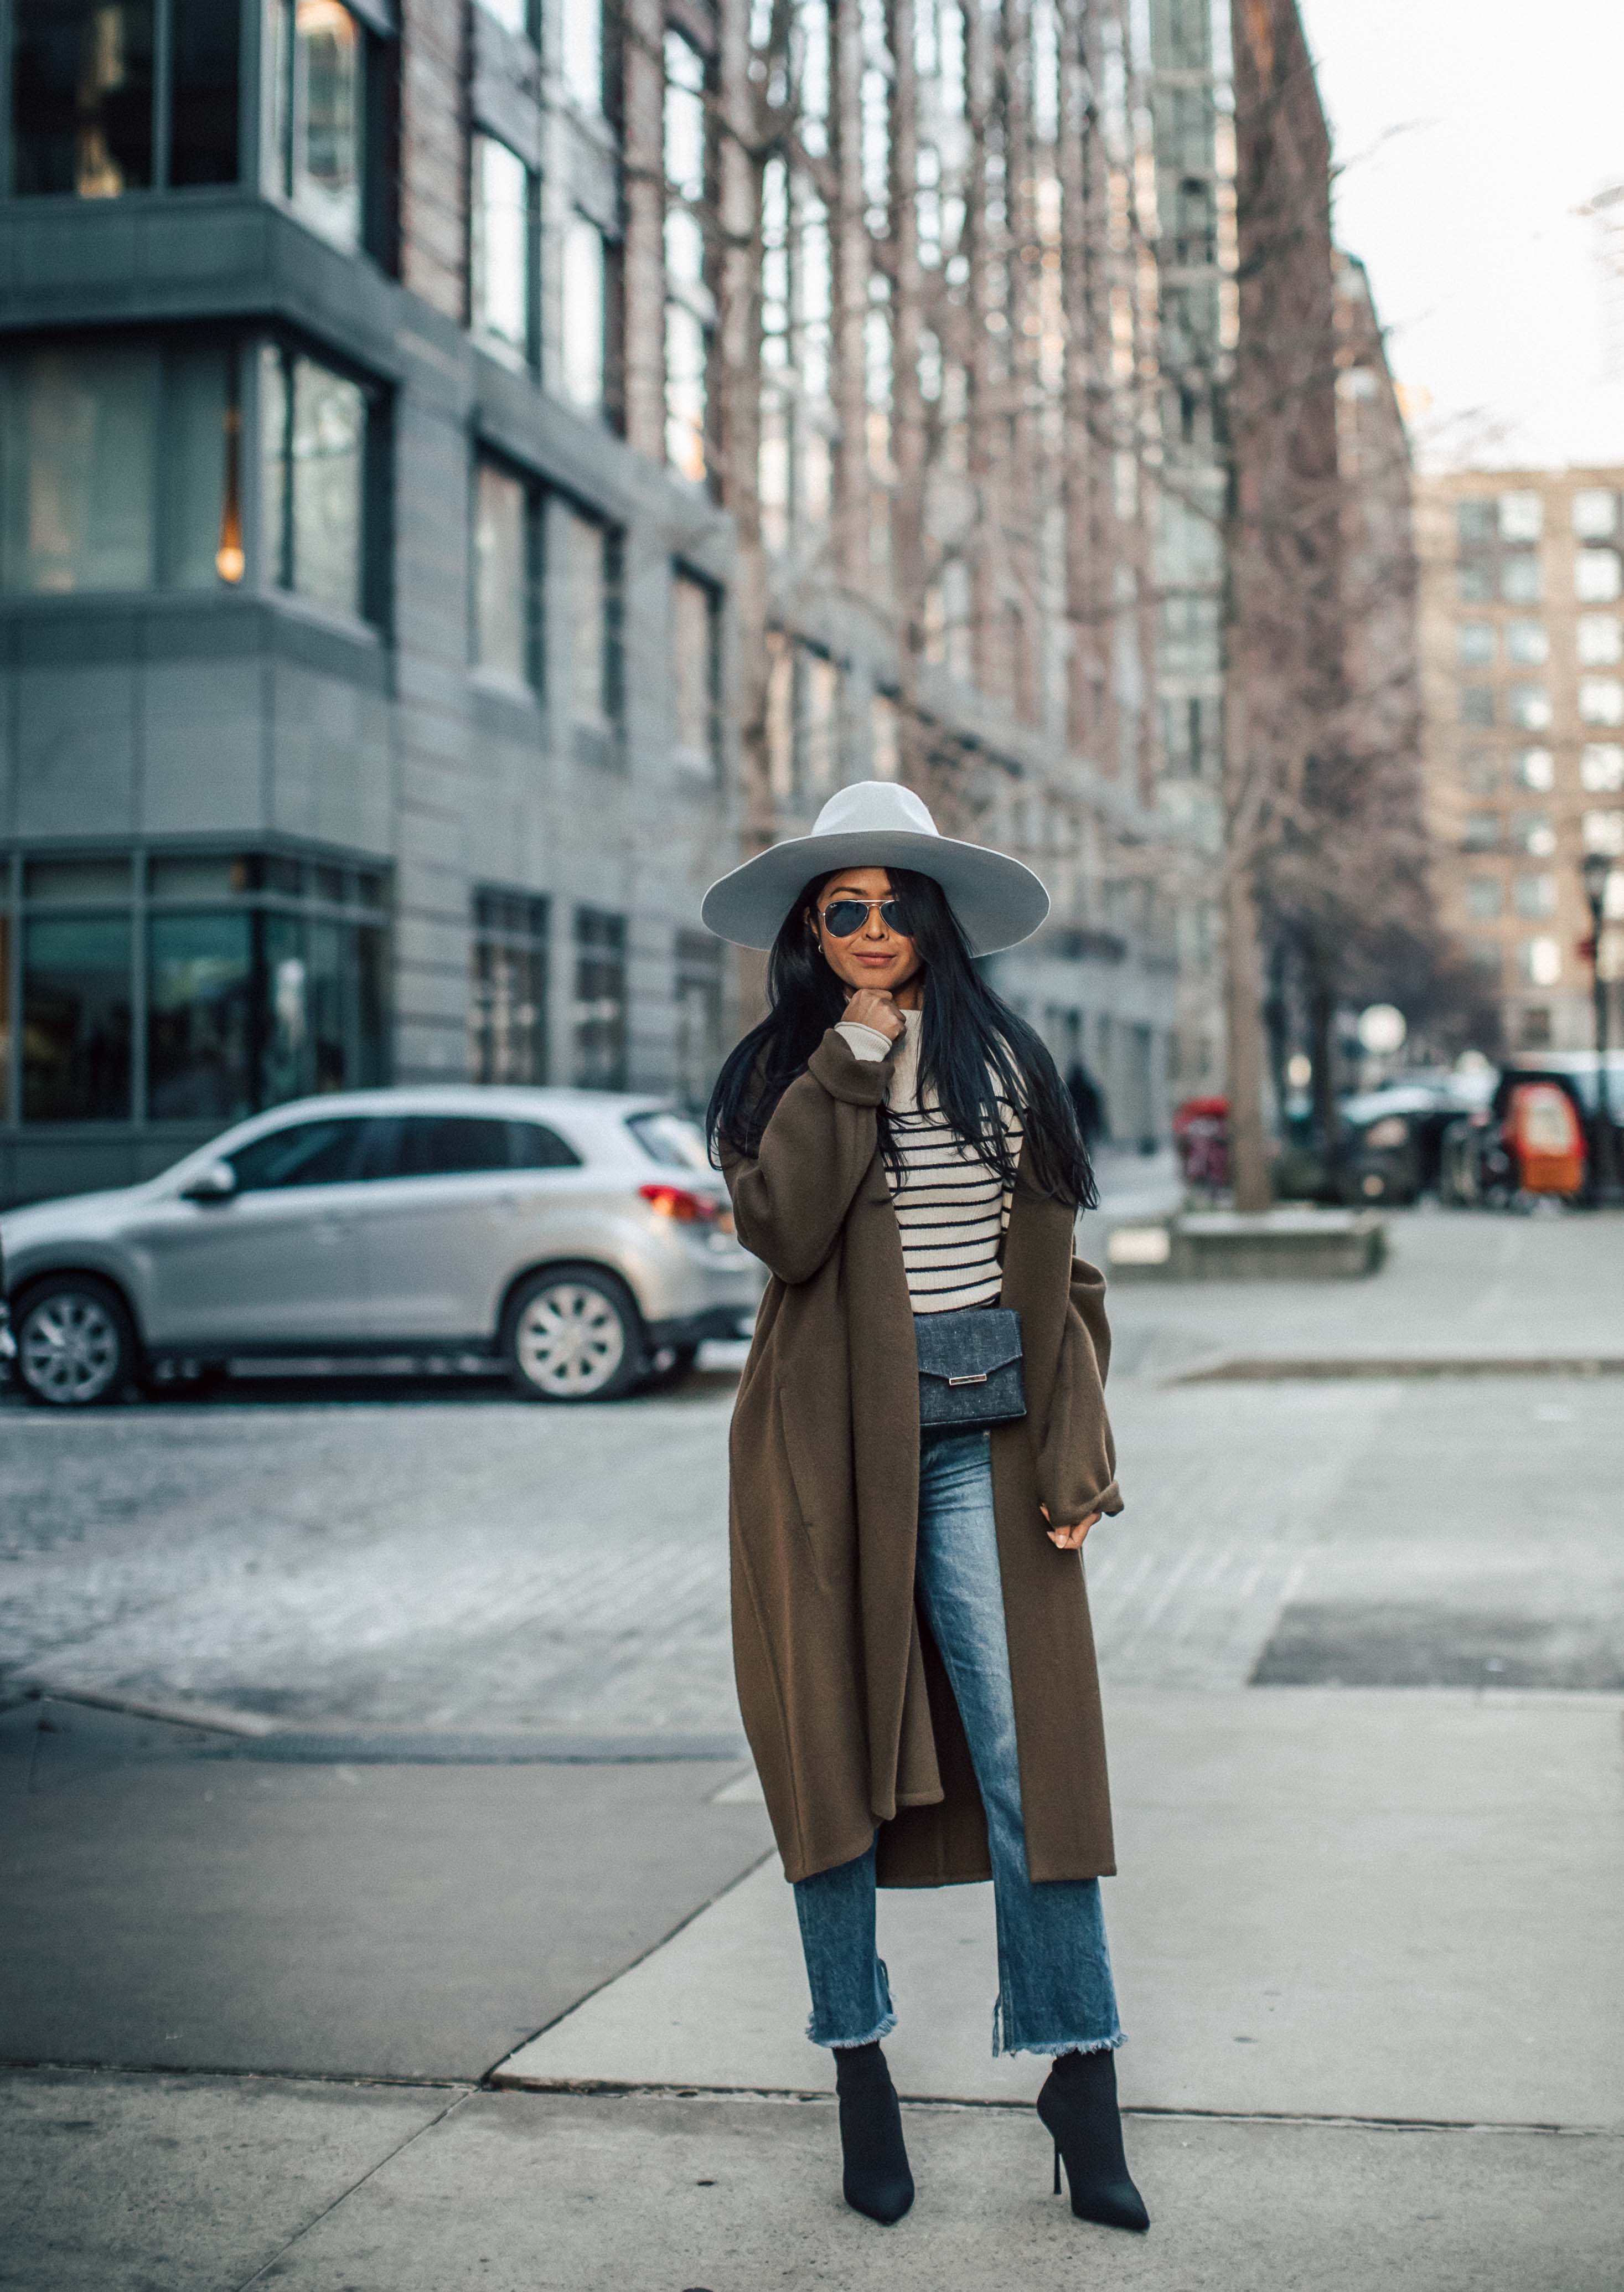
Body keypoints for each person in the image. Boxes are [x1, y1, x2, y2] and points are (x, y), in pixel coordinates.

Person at [702, 781, 1147, 2234]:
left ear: (936, 918)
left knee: (1036, 1767)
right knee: (826, 1766)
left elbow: (1068, 1280)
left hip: (989, 1444)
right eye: (847, 908)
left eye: (899, 904)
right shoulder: (785, 1070)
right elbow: (783, 1229)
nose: (876, 927)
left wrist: (1077, 1451)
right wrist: (854, 1057)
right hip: (825, 1456)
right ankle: (859, 2068)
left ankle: (1084, 2076)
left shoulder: (1008, 1059)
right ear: (812, 930)